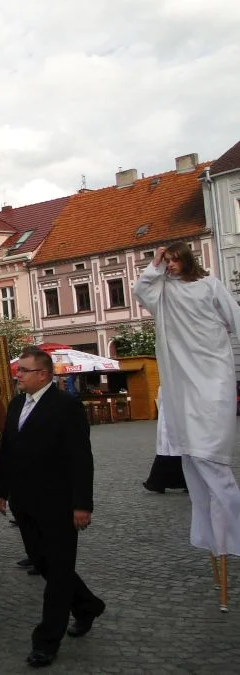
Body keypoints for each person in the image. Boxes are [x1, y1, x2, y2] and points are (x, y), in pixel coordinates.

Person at [134, 243, 240, 593]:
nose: (173, 265)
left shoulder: (210, 286)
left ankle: (230, 530)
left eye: (177, 259)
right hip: (182, 380)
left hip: (213, 374)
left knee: (211, 453)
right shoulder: (162, 291)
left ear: (188, 260)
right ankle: (215, 538)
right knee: (193, 458)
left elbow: (234, 318)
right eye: (169, 260)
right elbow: (140, 289)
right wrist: (154, 264)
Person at [0, 348, 104, 669]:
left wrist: (82, 504)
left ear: (43, 375)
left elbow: (82, 459)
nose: (19, 375)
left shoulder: (66, 406)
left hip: (60, 504)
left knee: (57, 574)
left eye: (25, 371)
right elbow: (8, 451)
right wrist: (0, 489)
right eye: (19, 370)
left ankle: (46, 641)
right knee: (45, 564)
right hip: (25, 503)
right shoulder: (16, 404)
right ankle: (87, 606)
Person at [142, 388, 187, 493]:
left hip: (175, 418)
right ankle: (157, 483)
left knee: (173, 451)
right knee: (169, 451)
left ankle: (157, 483)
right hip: (169, 417)